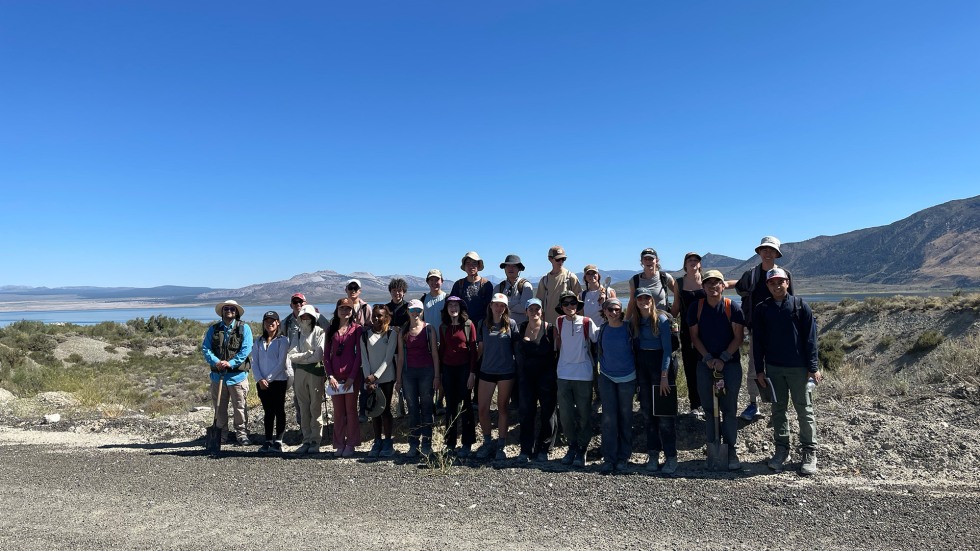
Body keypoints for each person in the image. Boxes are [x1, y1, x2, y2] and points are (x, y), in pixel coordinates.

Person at [753, 267, 821, 475]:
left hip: (799, 369)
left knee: (804, 410)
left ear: (787, 283)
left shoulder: (801, 306)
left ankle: (809, 452)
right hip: (774, 369)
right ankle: (781, 450)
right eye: (772, 283)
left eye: (780, 281)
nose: (777, 285)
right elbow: (758, 342)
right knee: (778, 410)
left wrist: (813, 367)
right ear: (768, 286)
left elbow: (811, 339)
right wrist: (759, 370)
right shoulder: (762, 309)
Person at [688, 270, 746, 470]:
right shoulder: (696, 308)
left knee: (729, 409)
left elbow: (738, 337)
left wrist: (722, 358)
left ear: (723, 286)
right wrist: (708, 359)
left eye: (717, 283)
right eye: (708, 283)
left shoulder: (733, 308)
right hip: (705, 366)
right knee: (709, 409)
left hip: (729, 366)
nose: (713, 286)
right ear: (703, 287)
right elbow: (694, 337)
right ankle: (713, 447)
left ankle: (731, 450)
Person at [735, 236, 795, 421]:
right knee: (754, 366)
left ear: (777, 254)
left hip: (779, 330)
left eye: (771, 250)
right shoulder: (751, 275)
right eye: (764, 250)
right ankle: (754, 404)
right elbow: (739, 289)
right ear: (759, 252)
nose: (768, 253)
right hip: (757, 328)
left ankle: (780, 406)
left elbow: (790, 301)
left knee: (779, 367)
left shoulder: (785, 274)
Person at [627, 288, 677, 474]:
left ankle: (671, 456)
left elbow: (667, 351)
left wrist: (664, 376)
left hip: (661, 369)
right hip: (643, 370)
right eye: (640, 299)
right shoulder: (636, 322)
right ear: (636, 302)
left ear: (652, 300)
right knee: (648, 415)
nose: (643, 301)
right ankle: (653, 454)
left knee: (665, 416)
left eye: (647, 298)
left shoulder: (662, 321)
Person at [554, 290, 598, 468]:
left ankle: (582, 448)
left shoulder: (587, 322)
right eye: (566, 304)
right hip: (563, 373)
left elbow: (597, 339)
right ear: (562, 307)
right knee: (565, 414)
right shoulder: (558, 322)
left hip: (583, 374)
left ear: (578, 306)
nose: (570, 307)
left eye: (573, 303)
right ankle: (572, 446)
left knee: (584, 414)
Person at [201, 300, 253, 446]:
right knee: (219, 408)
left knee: (240, 407)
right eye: (226, 308)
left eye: (232, 308)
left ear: (236, 312)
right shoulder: (214, 329)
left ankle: (241, 434)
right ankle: (221, 435)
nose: (229, 310)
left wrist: (230, 363)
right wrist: (216, 361)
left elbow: (246, 349)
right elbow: (206, 348)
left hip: (237, 377)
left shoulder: (244, 328)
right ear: (222, 311)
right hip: (218, 377)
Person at [474, 293, 518, 460]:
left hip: (506, 372)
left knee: (503, 408)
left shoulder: (511, 324)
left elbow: (516, 349)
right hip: (487, 371)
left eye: (502, 305)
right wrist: (472, 369)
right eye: (496, 304)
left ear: (505, 308)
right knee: (483, 409)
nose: (499, 308)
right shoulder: (482, 324)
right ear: (490, 306)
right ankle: (487, 442)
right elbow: (480, 349)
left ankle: (501, 444)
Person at [514, 298, 558, 463]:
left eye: (537, 309)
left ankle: (544, 449)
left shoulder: (549, 329)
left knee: (548, 413)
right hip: (526, 378)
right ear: (526, 312)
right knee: (526, 413)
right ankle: (526, 449)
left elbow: (557, 351)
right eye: (531, 309)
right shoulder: (522, 328)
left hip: (546, 378)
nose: (534, 312)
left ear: (542, 311)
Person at [395, 299, 440, 458]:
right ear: (408, 311)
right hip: (408, 374)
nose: (415, 313)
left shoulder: (429, 329)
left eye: (418, 310)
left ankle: (427, 445)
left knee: (427, 409)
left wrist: (436, 376)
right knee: (413, 410)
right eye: (412, 310)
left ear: (422, 312)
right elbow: (400, 357)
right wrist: (398, 380)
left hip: (427, 373)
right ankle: (413, 444)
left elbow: (435, 354)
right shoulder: (403, 331)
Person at [596, 297, 635, 474]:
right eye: (610, 309)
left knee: (625, 417)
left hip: (628, 378)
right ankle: (609, 458)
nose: (613, 313)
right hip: (606, 377)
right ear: (604, 311)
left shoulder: (629, 328)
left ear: (622, 311)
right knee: (609, 419)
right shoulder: (602, 329)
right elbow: (599, 353)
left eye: (617, 309)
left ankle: (624, 457)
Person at [438, 296, 479, 457]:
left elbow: (474, 352)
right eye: (450, 306)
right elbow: (441, 352)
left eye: (456, 305)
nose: (453, 308)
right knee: (451, 407)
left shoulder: (468, 325)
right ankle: (450, 443)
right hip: (448, 370)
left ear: (460, 308)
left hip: (464, 370)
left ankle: (467, 443)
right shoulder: (443, 327)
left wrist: (472, 374)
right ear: (446, 309)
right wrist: (440, 374)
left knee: (466, 406)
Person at [325, 298, 364, 458]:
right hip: (335, 378)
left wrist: (352, 377)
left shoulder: (357, 329)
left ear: (352, 311)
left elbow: (359, 355)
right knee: (338, 412)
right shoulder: (330, 329)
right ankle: (339, 443)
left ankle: (351, 443)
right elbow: (326, 356)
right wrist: (330, 376)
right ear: (337, 310)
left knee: (351, 411)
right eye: (342, 308)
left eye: (348, 309)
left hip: (351, 377)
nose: (345, 311)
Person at [287, 303, 327, 454]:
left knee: (315, 407)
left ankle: (315, 440)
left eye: (308, 316)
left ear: (313, 317)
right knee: (303, 407)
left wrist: (301, 357)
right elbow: (291, 355)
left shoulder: (319, 332)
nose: (305, 318)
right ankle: (306, 440)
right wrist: (307, 355)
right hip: (300, 374)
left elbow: (319, 355)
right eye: (303, 316)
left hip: (316, 373)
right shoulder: (297, 333)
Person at [671, 252, 707, 418]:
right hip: (687, 329)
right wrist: (665, 318)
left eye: (696, 260)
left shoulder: (707, 280)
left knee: (707, 364)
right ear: (685, 264)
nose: (693, 262)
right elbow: (676, 307)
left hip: (708, 329)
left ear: (700, 264)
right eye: (689, 260)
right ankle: (695, 403)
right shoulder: (679, 282)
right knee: (690, 366)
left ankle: (711, 402)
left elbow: (724, 287)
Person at [361, 304, 398, 458]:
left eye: (380, 315)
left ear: (386, 317)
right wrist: (368, 378)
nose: (377, 318)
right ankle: (377, 441)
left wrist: (375, 376)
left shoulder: (391, 334)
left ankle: (388, 442)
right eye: (374, 315)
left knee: (386, 410)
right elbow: (365, 358)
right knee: (374, 411)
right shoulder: (364, 336)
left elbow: (388, 358)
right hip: (370, 379)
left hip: (387, 378)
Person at [251, 310, 290, 453]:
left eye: (272, 321)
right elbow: (254, 362)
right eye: (267, 321)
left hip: (278, 380)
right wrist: (260, 379)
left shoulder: (283, 340)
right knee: (268, 411)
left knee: (279, 410)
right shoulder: (258, 341)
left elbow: (281, 363)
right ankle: (268, 440)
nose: (270, 324)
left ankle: (278, 441)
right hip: (262, 382)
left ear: (278, 322)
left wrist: (268, 379)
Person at [535, 245, 582, 325]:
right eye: (558, 259)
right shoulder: (544, 280)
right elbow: (539, 302)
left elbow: (579, 301)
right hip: (549, 323)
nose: (561, 262)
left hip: (568, 323)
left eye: (563, 259)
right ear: (550, 259)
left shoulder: (570, 277)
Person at [449, 252, 494, 325]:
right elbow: (452, 304)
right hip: (462, 324)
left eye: (474, 263)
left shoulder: (486, 285)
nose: (471, 266)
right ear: (465, 266)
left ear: (478, 266)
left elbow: (491, 307)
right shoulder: (458, 285)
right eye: (468, 263)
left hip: (482, 325)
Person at [497, 254, 534, 325]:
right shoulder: (498, 287)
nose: (510, 268)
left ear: (519, 269)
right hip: (502, 328)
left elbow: (524, 308)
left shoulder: (526, 286)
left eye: (514, 266)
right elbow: (494, 307)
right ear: (504, 268)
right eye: (508, 266)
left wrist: (504, 305)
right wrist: (515, 305)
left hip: (520, 329)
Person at [420, 269, 448, 333]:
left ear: (442, 281)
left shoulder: (447, 299)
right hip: (428, 338)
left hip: (444, 338)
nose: (434, 283)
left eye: (437, 280)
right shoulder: (423, 299)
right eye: (431, 280)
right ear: (427, 282)